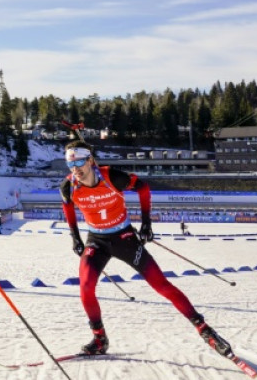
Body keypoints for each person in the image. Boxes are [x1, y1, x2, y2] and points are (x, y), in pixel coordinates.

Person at [59, 141, 234, 359]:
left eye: (79, 162)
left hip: (124, 238)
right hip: (97, 240)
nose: (75, 168)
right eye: (70, 163)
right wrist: (75, 237)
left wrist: (146, 223)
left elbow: (143, 188)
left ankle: (205, 330)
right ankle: (99, 339)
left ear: (91, 160)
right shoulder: (69, 186)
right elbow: (67, 206)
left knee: (161, 285)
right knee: (85, 288)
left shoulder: (112, 177)